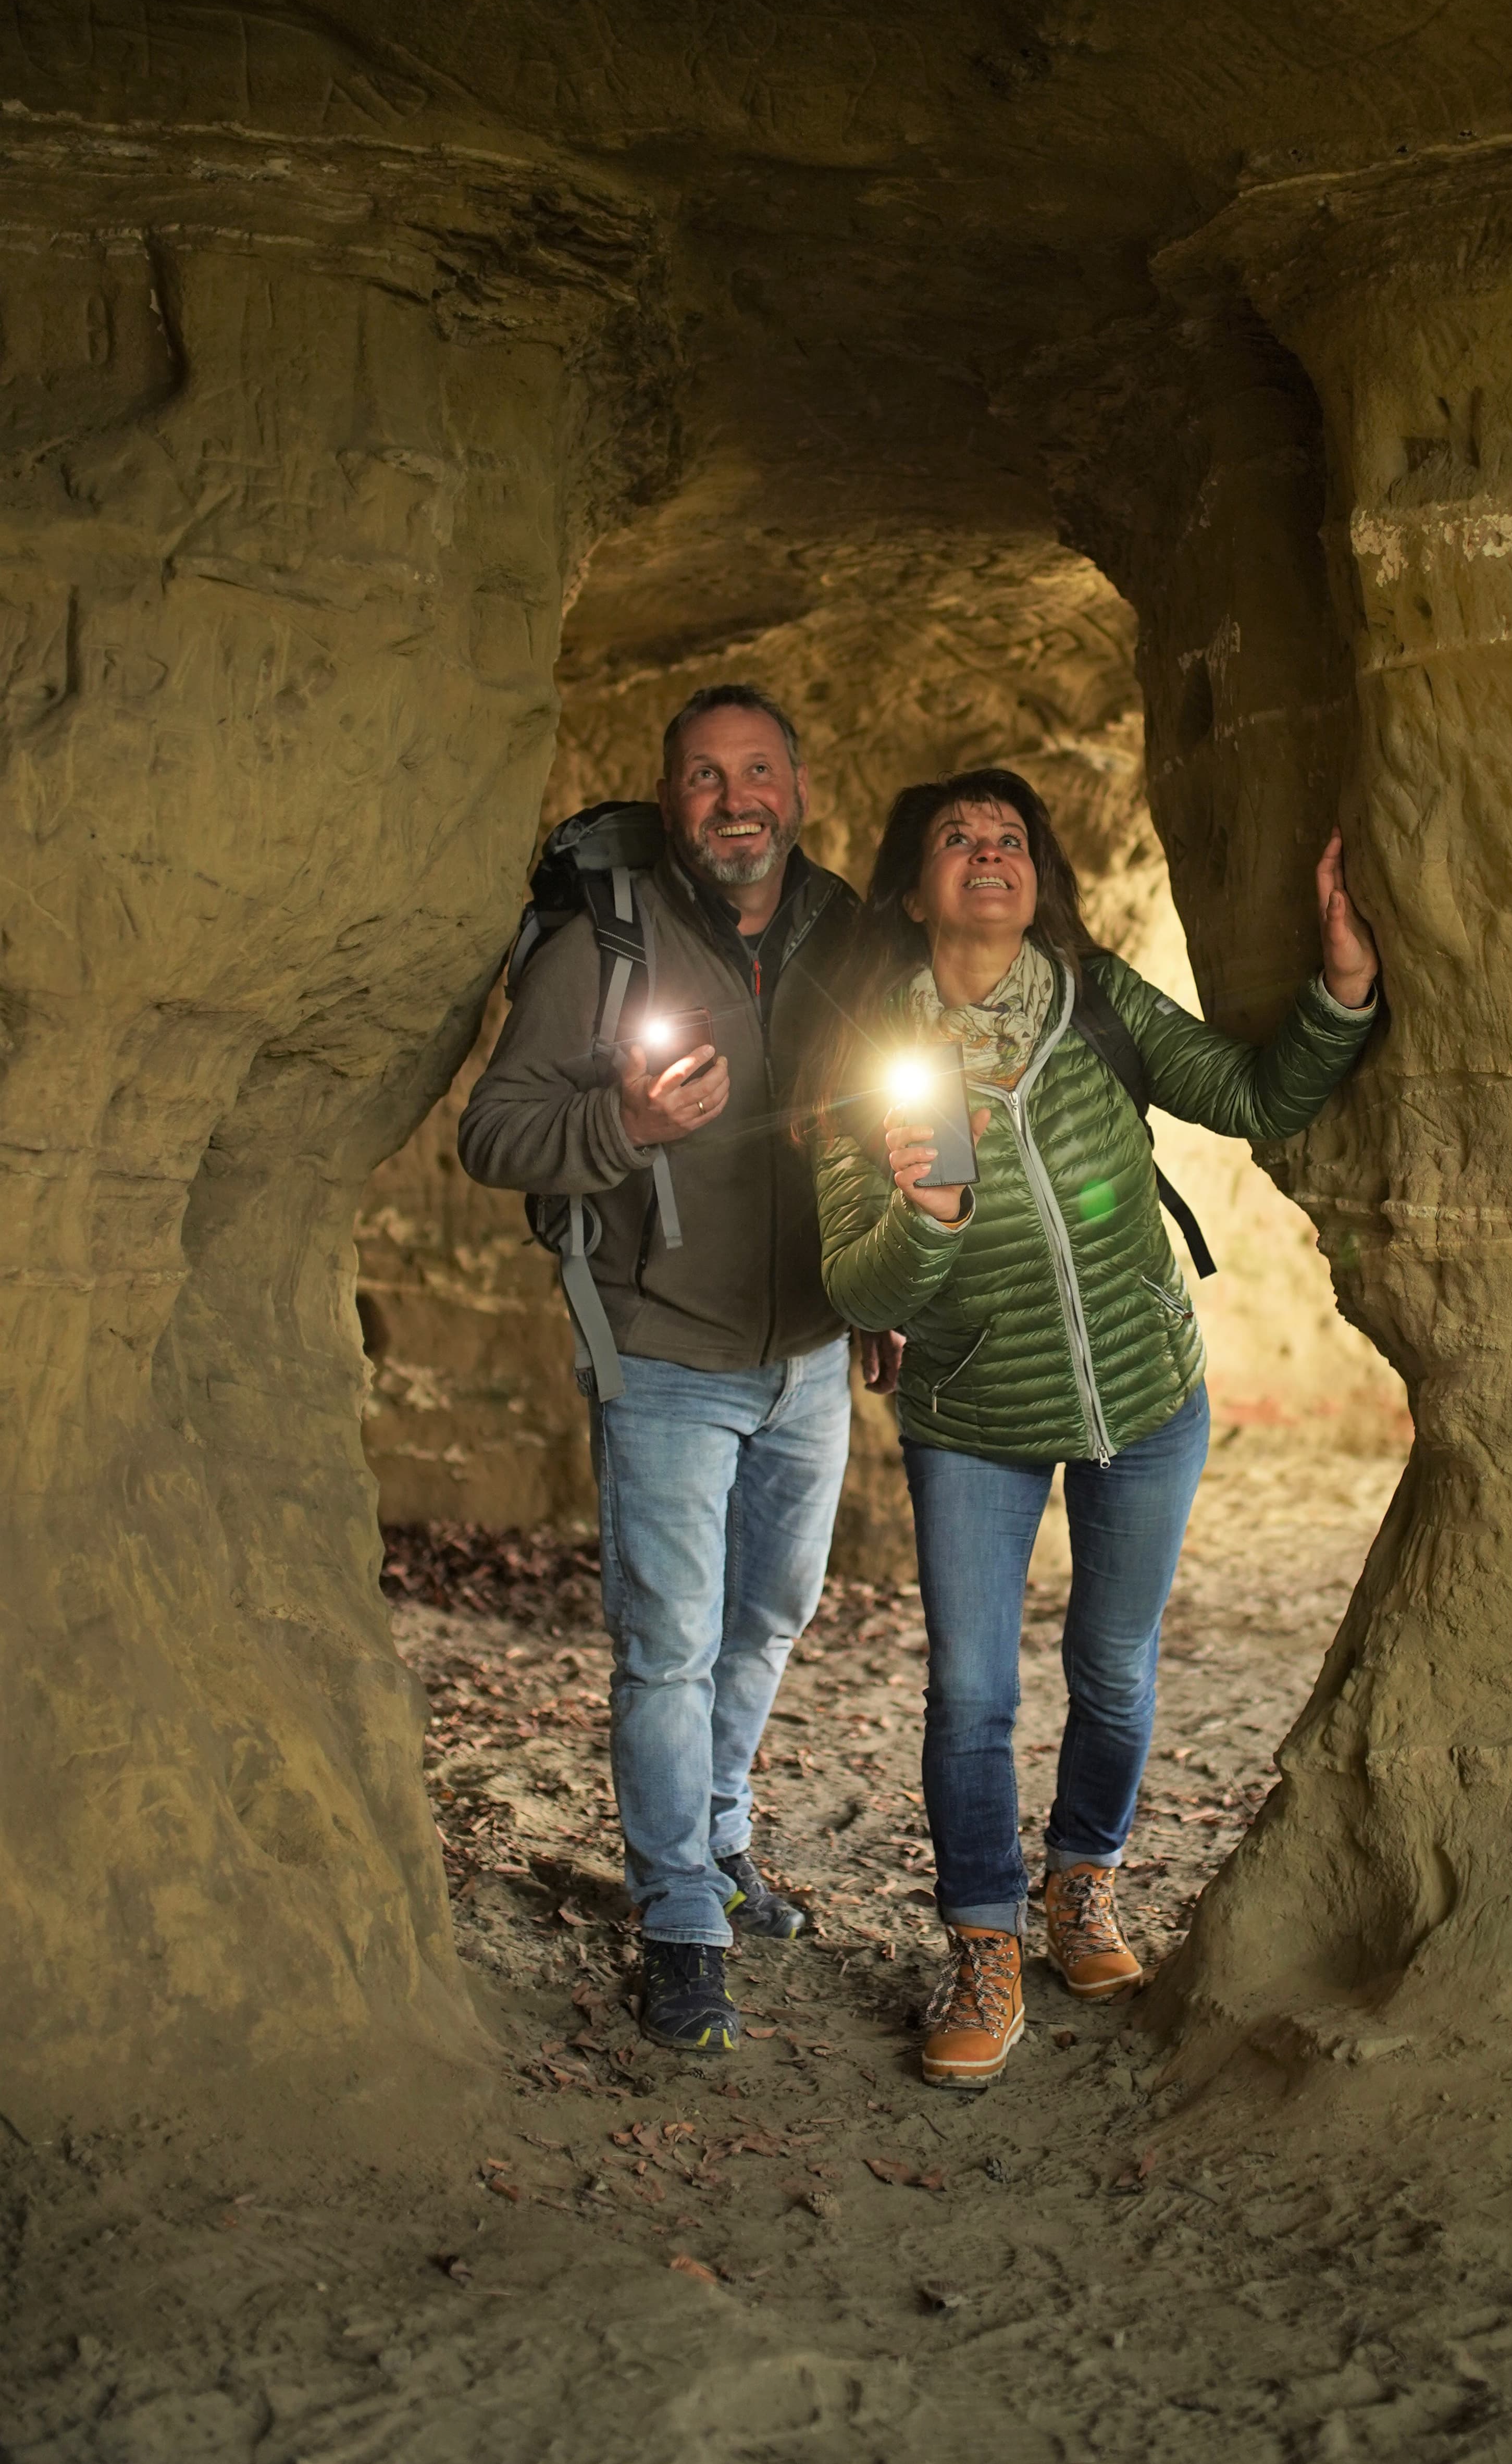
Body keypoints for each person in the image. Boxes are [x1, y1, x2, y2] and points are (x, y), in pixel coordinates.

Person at [811, 770, 1380, 2088]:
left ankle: (1082, 1885)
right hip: (973, 1417)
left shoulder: (1097, 1000)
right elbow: (858, 1285)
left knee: (1114, 1670)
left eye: (1010, 837)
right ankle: (984, 1943)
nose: (988, 853)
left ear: (1039, 876)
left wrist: (1342, 986)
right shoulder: (860, 1062)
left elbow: (1250, 1098)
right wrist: (929, 1221)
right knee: (971, 1694)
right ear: (916, 889)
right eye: (957, 839)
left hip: (1143, 1395)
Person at [461, 686, 894, 2057]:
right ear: (671, 799)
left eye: (756, 771)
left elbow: (903, 1114)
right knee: (666, 1653)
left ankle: (715, 1849)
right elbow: (492, 1133)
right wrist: (622, 1115)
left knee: (768, 1621)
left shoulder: (849, 937)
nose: (732, 800)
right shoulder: (606, 943)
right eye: (702, 779)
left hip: (809, 1358)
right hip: (658, 1350)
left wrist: (889, 1279)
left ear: (800, 789)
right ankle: (680, 1925)